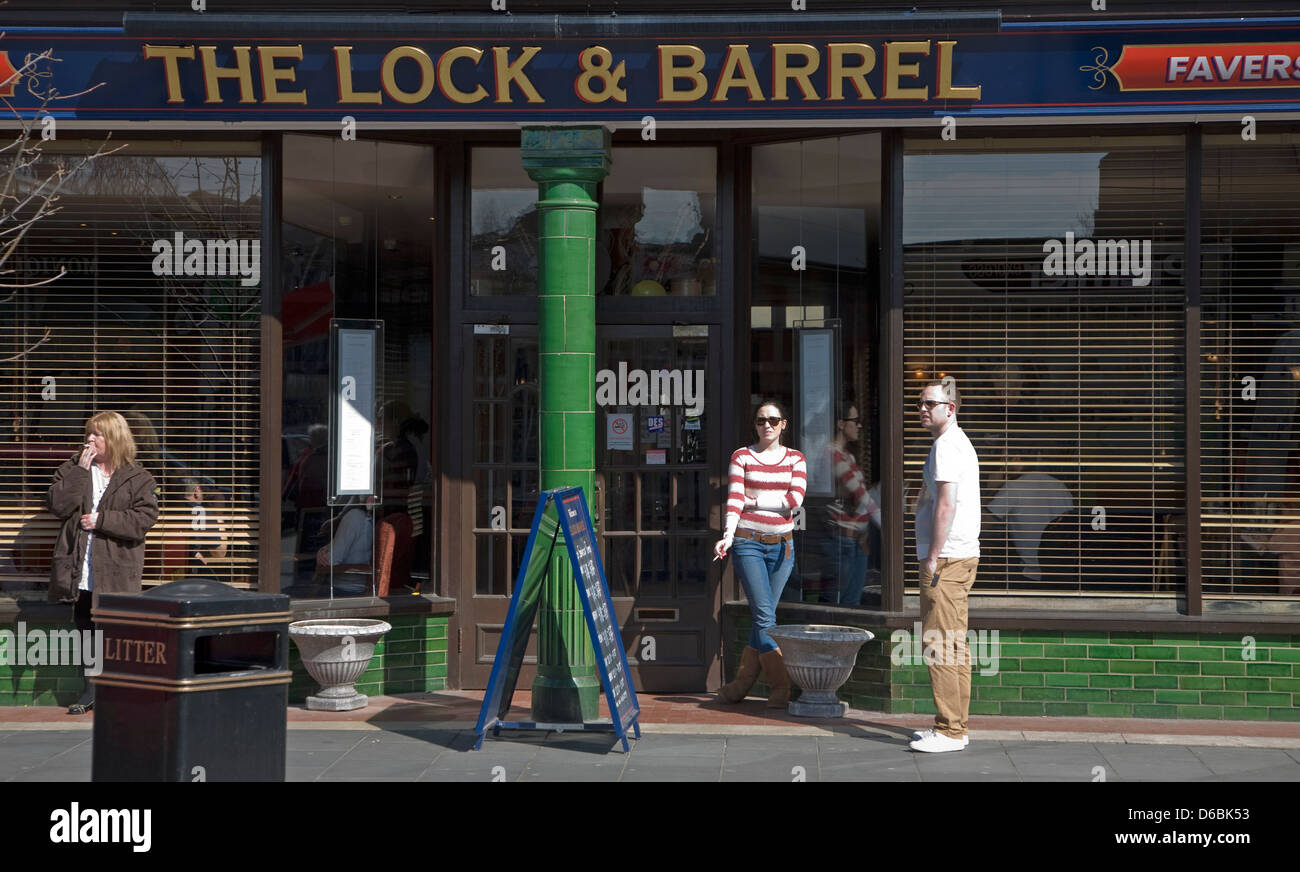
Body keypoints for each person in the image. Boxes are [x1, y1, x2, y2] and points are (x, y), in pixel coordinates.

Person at [47, 411, 159, 714]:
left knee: (115, 629)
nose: (90, 439)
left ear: (114, 438)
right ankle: (91, 688)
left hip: (116, 567)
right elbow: (58, 505)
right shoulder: (73, 469)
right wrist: (80, 473)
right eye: (89, 433)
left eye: (98, 434)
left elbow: (144, 519)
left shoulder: (138, 477)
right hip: (80, 567)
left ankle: (119, 689)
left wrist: (102, 519)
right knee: (86, 626)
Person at [713, 400, 807, 707]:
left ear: (783, 424)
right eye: (759, 420)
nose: (766, 425)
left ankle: (740, 686)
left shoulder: (796, 458)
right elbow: (735, 499)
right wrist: (727, 536)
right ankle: (782, 689)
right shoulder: (742, 456)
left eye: (772, 419)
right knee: (766, 616)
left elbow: (794, 500)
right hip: (747, 542)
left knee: (762, 618)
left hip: (783, 546)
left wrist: (755, 501)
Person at [909, 381, 981, 753]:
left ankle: (951, 731)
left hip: (948, 558)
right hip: (959, 555)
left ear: (949, 408)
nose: (922, 408)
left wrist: (934, 556)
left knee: (939, 643)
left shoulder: (946, 446)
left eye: (929, 403)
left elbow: (947, 505)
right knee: (953, 643)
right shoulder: (953, 443)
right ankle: (954, 725)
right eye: (919, 403)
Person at [825, 402, 881, 605]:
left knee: (852, 603)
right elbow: (859, 494)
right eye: (855, 421)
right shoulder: (832, 454)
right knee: (841, 606)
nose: (859, 426)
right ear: (840, 423)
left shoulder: (848, 455)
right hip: (843, 541)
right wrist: (884, 522)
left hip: (857, 540)